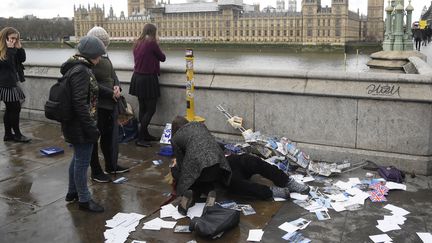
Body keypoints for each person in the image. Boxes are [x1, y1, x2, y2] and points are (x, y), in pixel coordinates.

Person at [170, 116, 310, 215]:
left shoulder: (177, 140)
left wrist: (177, 168)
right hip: (221, 167)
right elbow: (214, 145)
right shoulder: (199, 127)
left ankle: (287, 182)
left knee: (251, 161)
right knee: (237, 184)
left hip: (224, 165)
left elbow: (185, 170)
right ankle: (272, 191)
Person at [62, 36, 106, 212]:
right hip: (80, 125)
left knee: (77, 158)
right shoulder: (81, 70)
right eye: (99, 54)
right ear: (92, 54)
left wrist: (110, 92)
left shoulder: (76, 66)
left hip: (75, 124)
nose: (100, 58)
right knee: (82, 162)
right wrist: (91, 128)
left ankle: (72, 192)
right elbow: (80, 103)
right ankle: (84, 200)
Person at [86, 26, 129, 183]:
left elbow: (113, 74)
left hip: (110, 104)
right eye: (103, 44)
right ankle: (96, 171)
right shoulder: (88, 59)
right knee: (94, 139)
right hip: (97, 105)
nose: (105, 48)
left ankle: (111, 165)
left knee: (108, 137)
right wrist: (109, 91)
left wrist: (117, 86)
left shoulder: (104, 55)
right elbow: (91, 82)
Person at [129, 23, 166, 147]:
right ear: (153, 32)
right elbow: (162, 58)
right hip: (148, 79)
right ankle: (140, 138)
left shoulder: (137, 43)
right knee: (151, 109)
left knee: (143, 108)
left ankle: (145, 135)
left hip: (137, 77)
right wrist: (158, 45)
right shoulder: (152, 43)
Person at [0, 27, 31, 143]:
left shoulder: (12, 48)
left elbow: (22, 59)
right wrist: (10, 49)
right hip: (5, 83)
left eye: (16, 38)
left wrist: (19, 47)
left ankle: (8, 135)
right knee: (15, 108)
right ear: (5, 38)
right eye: (12, 38)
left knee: (10, 109)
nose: (14, 40)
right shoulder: (3, 50)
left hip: (12, 81)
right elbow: (7, 63)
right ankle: (17, 135)